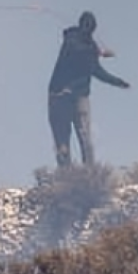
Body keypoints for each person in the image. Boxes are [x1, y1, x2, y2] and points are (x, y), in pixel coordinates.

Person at [46, 11, 130, 167]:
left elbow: (97, 71)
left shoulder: (85, 45)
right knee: (66, 142)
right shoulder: (72, 40)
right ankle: (72, 176)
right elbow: (80, 53)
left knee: (83, 138)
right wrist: (98, 52)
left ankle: (87, 174)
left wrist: (118, 82)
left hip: (69, 96)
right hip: (62, 96)